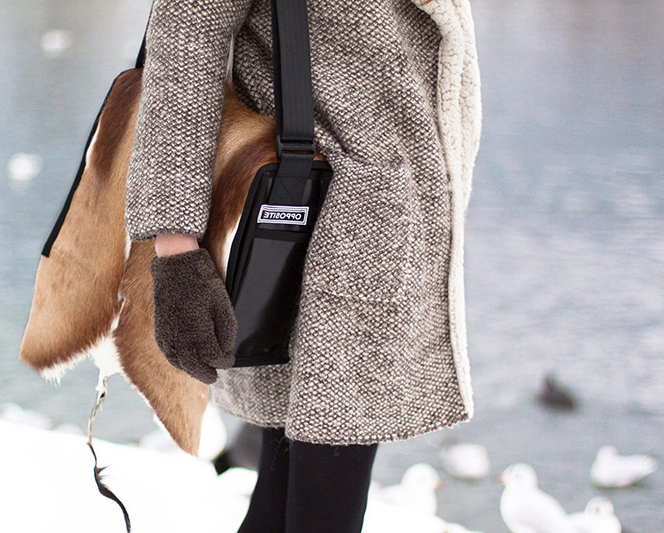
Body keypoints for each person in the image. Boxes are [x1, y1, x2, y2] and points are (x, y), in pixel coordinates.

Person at [125, 0, 482, 531]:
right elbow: (186, 36)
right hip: (301, 219)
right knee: (319, 506)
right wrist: (176, 251)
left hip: (366, 227)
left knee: (284, 497)